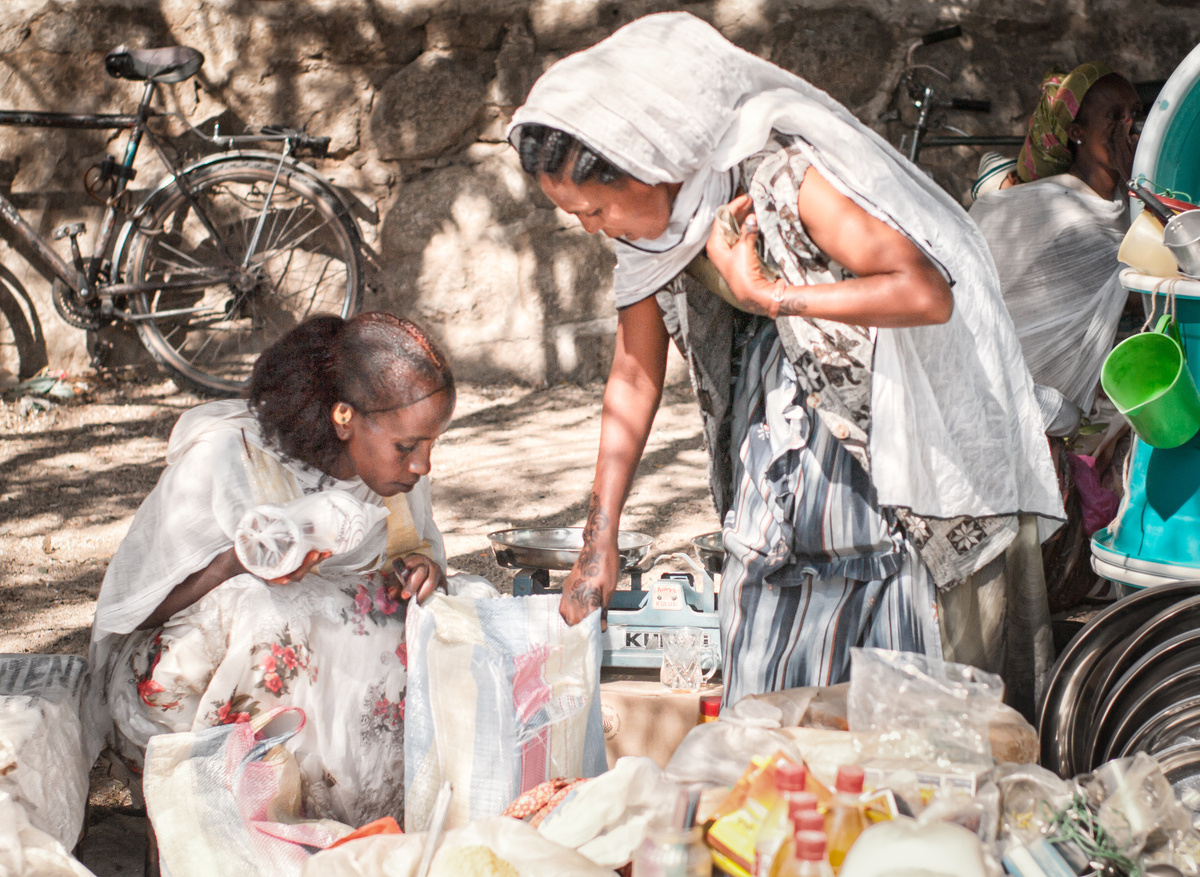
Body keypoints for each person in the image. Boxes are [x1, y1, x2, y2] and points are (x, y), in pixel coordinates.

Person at [507, 12, 1064, 718]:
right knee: (765, 680)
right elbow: (634, 374)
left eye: (593, 207)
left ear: (650, 163)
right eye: (576, 216)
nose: (592, 227)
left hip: (879, 439)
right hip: (778, 444)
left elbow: (924, 290)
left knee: (882, 686)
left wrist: (767, 294)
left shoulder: (787, 174)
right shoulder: (652, 231)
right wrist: (599, 538)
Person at [88, 312, 458, 825]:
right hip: (180, 697)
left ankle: (356, 823)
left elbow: (421, 553)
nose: (423, 466)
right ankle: (233, 819)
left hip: (330, 706)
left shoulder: (395, 482)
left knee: (441, 614)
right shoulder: (228, 460)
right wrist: (234, 564)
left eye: (431, 443)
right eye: (407, 447)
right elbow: (135, 613)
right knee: (277, 610)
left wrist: (421, 569)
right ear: (344, 417)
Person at [969, 65, 1140, 608]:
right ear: (1074, 131)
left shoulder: (1134, 211)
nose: (1127, 129)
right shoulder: (1045, 210)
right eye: (1112, 116)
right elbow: (986, 299)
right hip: (1026, 411)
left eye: (1134, 117)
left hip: (1073, 414)